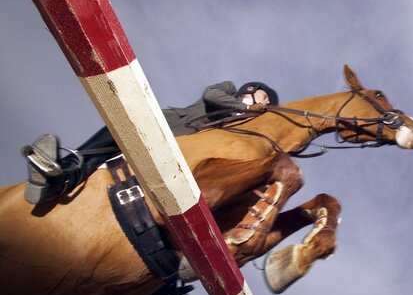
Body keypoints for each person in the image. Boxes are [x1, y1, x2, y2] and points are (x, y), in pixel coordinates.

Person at [21, 81, 278, 205]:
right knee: (117, 133)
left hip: (183, 156)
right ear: (251, 90)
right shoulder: (230, 90)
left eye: (267, 103)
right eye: (265, 97)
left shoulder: (243, 128)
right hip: (166, 127)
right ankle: (64, 174)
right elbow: (210, 94)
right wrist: (242, 108)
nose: (265, 104)